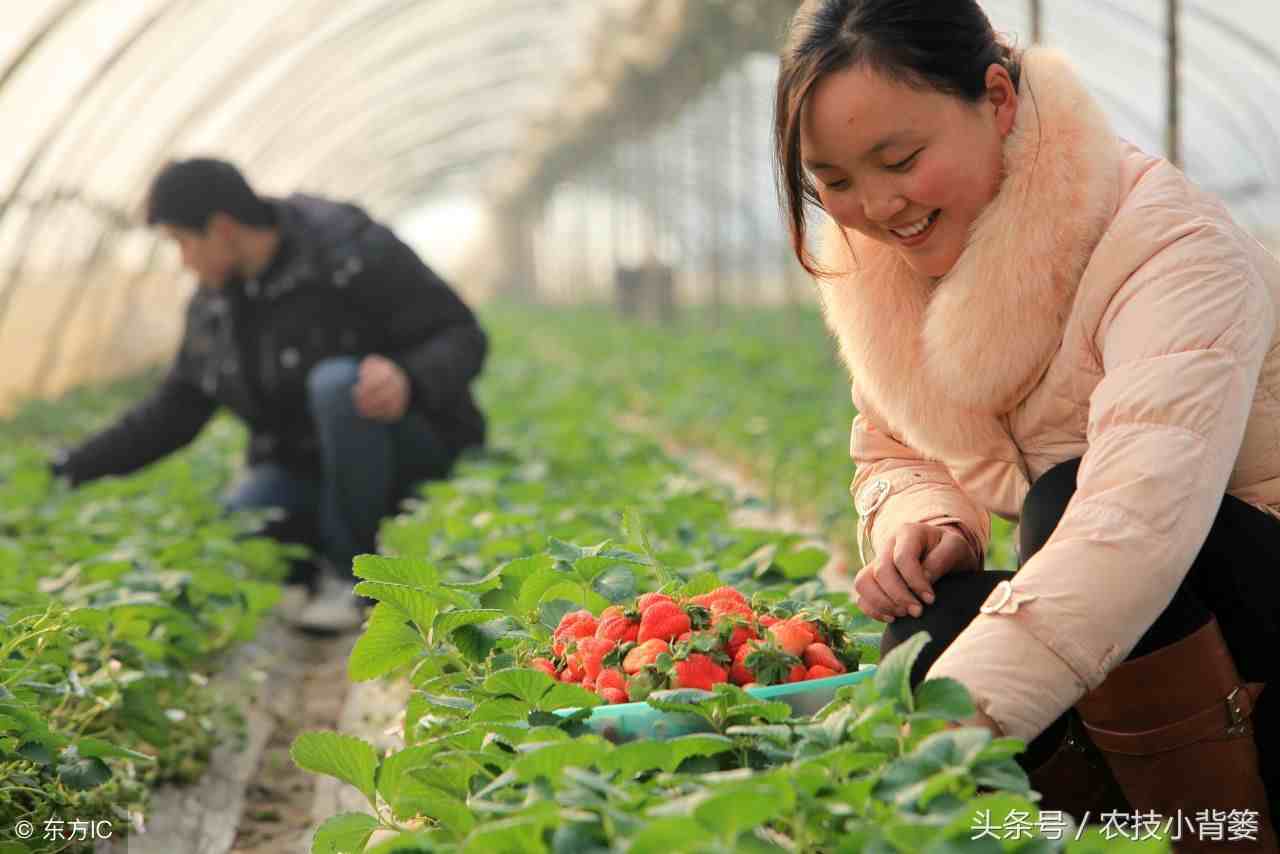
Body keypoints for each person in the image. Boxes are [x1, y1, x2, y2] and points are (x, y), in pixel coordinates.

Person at [775, 0, 1280, 846]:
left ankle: (1225, 836)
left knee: (1063, 504)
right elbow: (897, 446)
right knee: (928, 624)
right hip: (1152, 615)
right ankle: (1109, 834)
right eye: (834, 181)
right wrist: (921, 522)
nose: (876, 205)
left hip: (1249, 597)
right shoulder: (902, 265)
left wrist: (938, 733)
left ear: (1000, 99)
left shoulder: (1166, 244)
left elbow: (1130, 526)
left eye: (899, 159)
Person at [51, 158, 487, 633]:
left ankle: (350, 577)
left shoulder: (349, 252)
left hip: (406, 452)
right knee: (240, 525)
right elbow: (173, 412)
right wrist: (67, 468)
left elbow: (464, 335)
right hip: (307, 469)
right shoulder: (215, 304)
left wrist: (409, 376)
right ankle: (320, 556)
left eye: (182, 242)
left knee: (339, 385)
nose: (183, 261)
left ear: (221, 229)